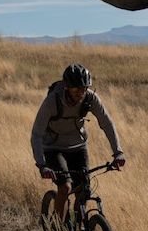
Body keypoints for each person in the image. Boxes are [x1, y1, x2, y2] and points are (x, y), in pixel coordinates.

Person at [31, 63, 126, 222]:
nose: (81, 93)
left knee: (84, 190)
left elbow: (107, 123)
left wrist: (118, 152)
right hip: (53, 148)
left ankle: (78, 225)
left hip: (78, 146)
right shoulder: (52, 101)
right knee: (66, 187)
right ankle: (58, 230)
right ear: (67, 87)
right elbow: (36, 134)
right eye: (76, 89)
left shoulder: (90, 98)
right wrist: (42, 165)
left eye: (84, 88)